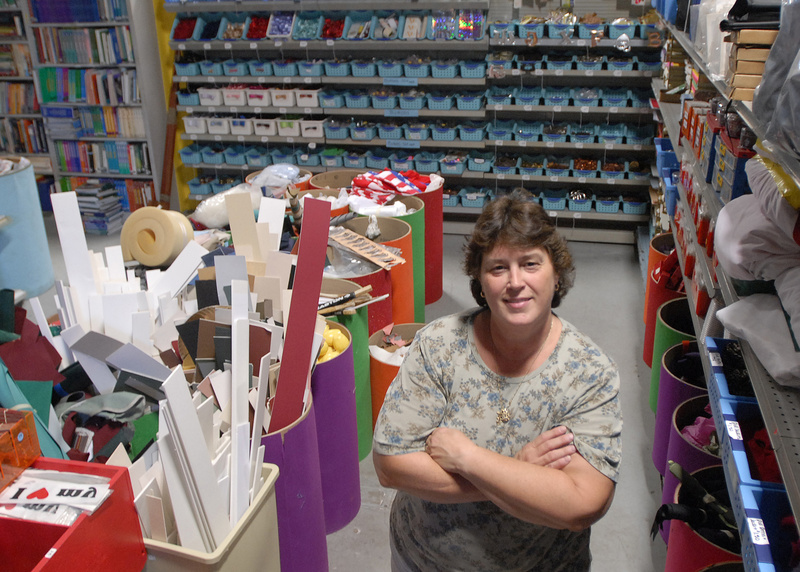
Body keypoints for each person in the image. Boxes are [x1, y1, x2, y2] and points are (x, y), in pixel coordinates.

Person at [372, 189, 622, 571]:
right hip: (426, 559)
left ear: (556, 273)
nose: (515, 282)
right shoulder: (439, 346)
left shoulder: (588, 372)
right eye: (498, 267)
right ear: (480, 280)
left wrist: (470, 459)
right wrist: (520, 470)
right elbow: (391, 464)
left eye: (531, 264)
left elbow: (581, 503)